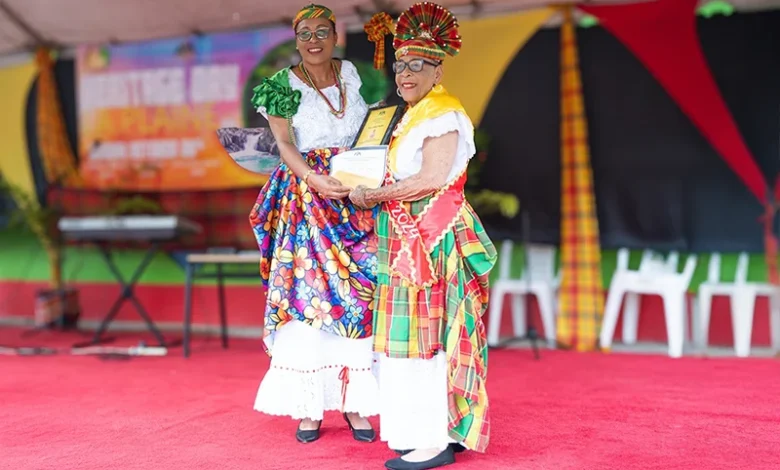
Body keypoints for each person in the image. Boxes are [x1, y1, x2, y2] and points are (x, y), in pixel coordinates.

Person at [350, 4, 496, 469]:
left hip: (430, 240)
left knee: (426, 336)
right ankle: (422, 431)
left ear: (438, 68)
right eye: (400, 65)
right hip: (405, 239)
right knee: (410, 336)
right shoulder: (414, 113)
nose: (405, 74)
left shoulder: (442, 114)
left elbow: (432, 179)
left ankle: (433, 441)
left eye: (417, 65)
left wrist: (374, 196)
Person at [249, 3, 378, 444]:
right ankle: (308, 407)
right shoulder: (280, 86)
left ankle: (357, 405)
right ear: (295, 38)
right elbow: (283, 143)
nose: (314, 40)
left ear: (336, 35)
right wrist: (312, 177)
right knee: (307, 301)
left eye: (323, 31)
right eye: (306, 33)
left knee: (361, 300)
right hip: (308, 197)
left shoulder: (358, 76)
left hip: (356, 193)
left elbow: (376, 125)